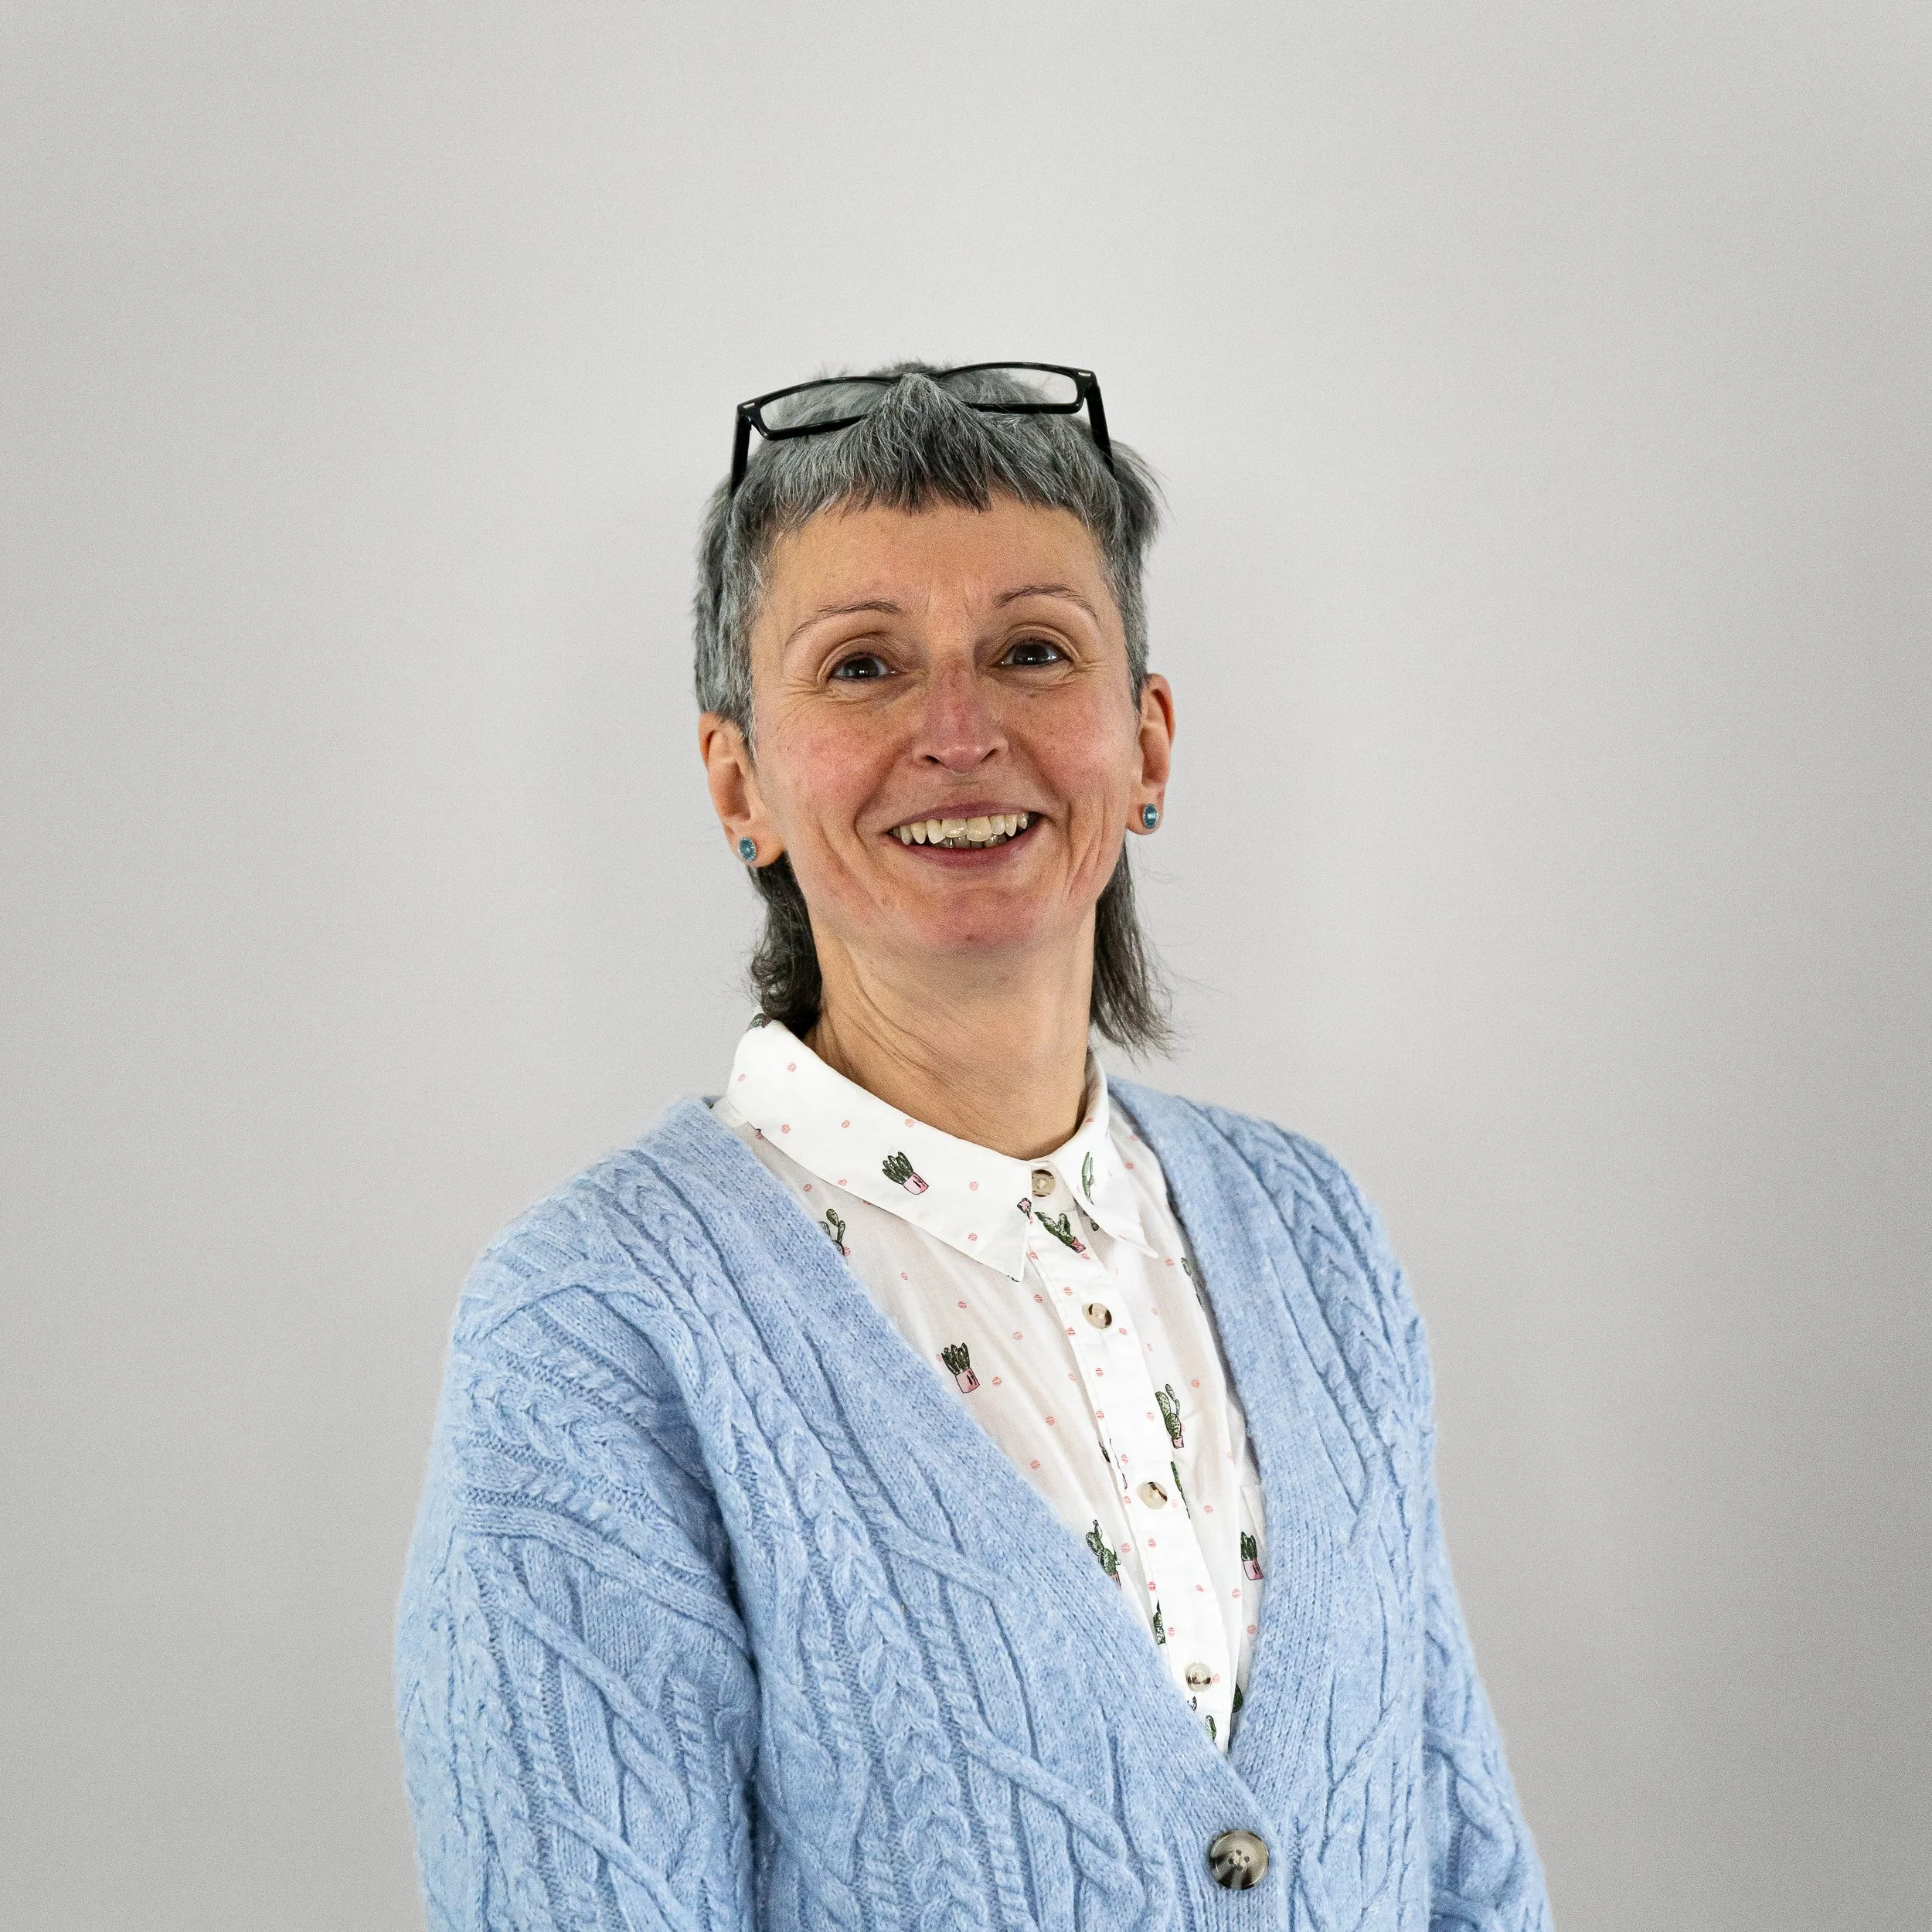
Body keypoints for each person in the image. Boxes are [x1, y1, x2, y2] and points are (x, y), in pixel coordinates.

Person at [395, 363, 1552, 1930]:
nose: (958, 730)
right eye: (861, 665)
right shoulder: (599, 1324)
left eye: (1031, 650)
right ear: (738, 779)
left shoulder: (1309, 1231)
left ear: (1143, 744)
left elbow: (1464, 1862)